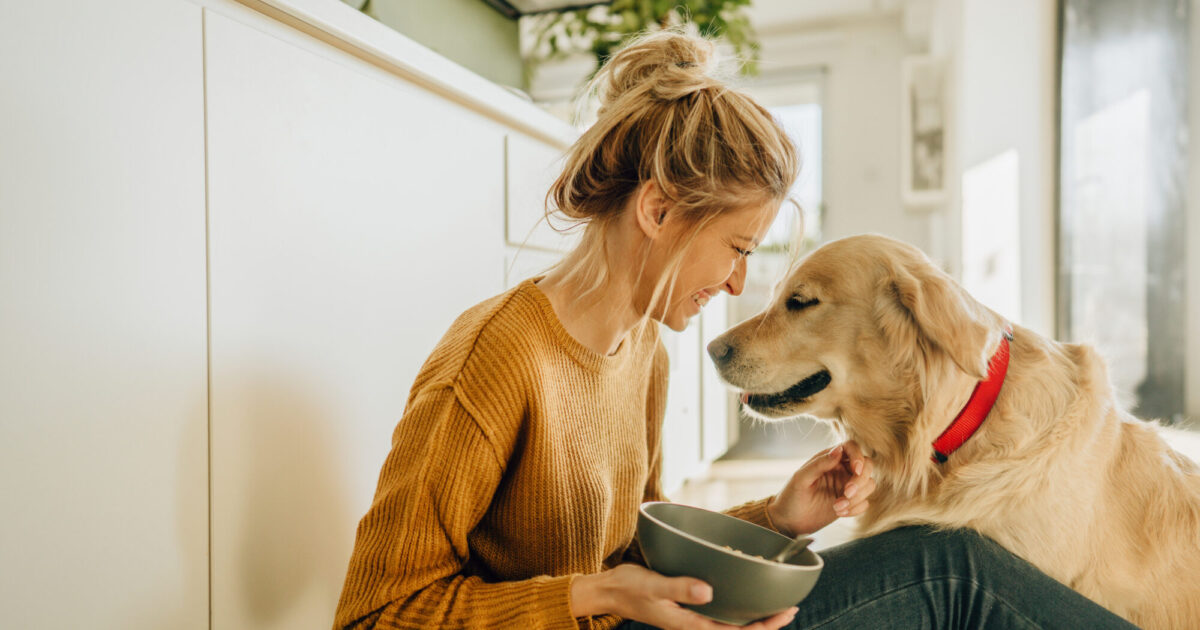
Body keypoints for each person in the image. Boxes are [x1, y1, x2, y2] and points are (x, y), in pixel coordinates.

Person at [333, 30, 1137, 630]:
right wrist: (595, 595)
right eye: (738, 248)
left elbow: (637, 548)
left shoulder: (641, 348)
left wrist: (777, 520)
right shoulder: (493, 361)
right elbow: (374, 615)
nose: (738, 283)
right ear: (658, 212)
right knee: (954, 574)